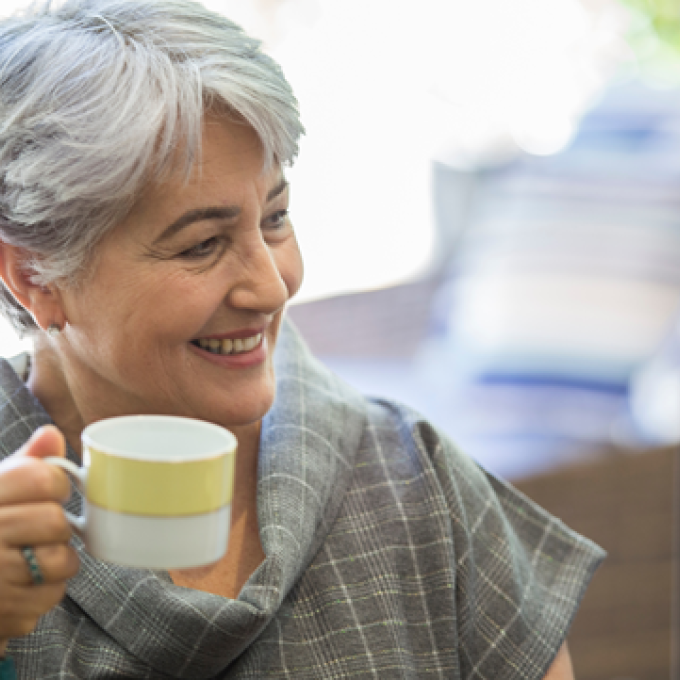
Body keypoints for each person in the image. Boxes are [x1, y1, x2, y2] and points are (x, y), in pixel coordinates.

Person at [0, 1, 604, 678]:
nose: (273, 284)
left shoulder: (416, 485)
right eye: (202, 244)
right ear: (35, 279)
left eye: (276, 218)